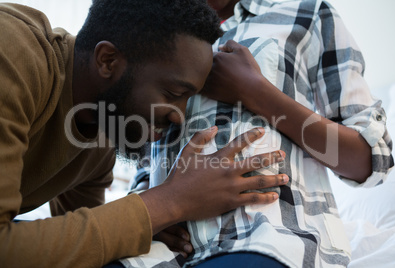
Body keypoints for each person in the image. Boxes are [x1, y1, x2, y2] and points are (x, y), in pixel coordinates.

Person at [0, 1, 289, 267]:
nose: (179, 116)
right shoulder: (13, 50)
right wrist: (167, 203)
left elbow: (78, 246)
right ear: (108, 60)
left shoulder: (97, 152)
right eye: (173, 93)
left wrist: (147, 223)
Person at [123, 0, 394, 267]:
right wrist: (148, 212)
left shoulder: (307, 15)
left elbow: (369, 160)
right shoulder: (156, 29)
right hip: (158, 251)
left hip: (264, 241)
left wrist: (254, 91)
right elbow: (149, 155)